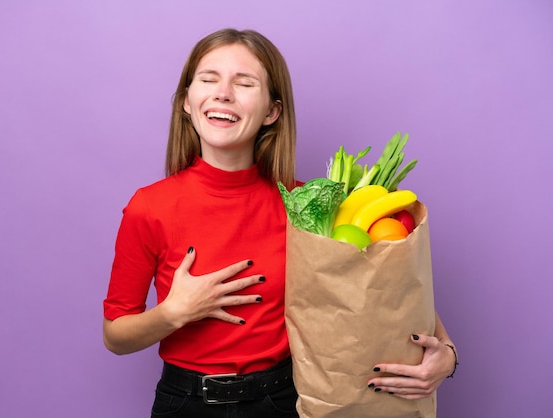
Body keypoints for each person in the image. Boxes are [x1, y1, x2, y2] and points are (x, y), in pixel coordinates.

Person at [103, 28, 457, 418]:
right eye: (208, 79)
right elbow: (115, 335)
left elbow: (389, 293)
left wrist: (448, 355)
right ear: (187, 101)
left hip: (286, 400)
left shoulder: (309, 206)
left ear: (272, 111)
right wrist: (174, 312)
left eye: (244, 82)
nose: (223, 92)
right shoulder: (149, 206)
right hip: (186, 403)